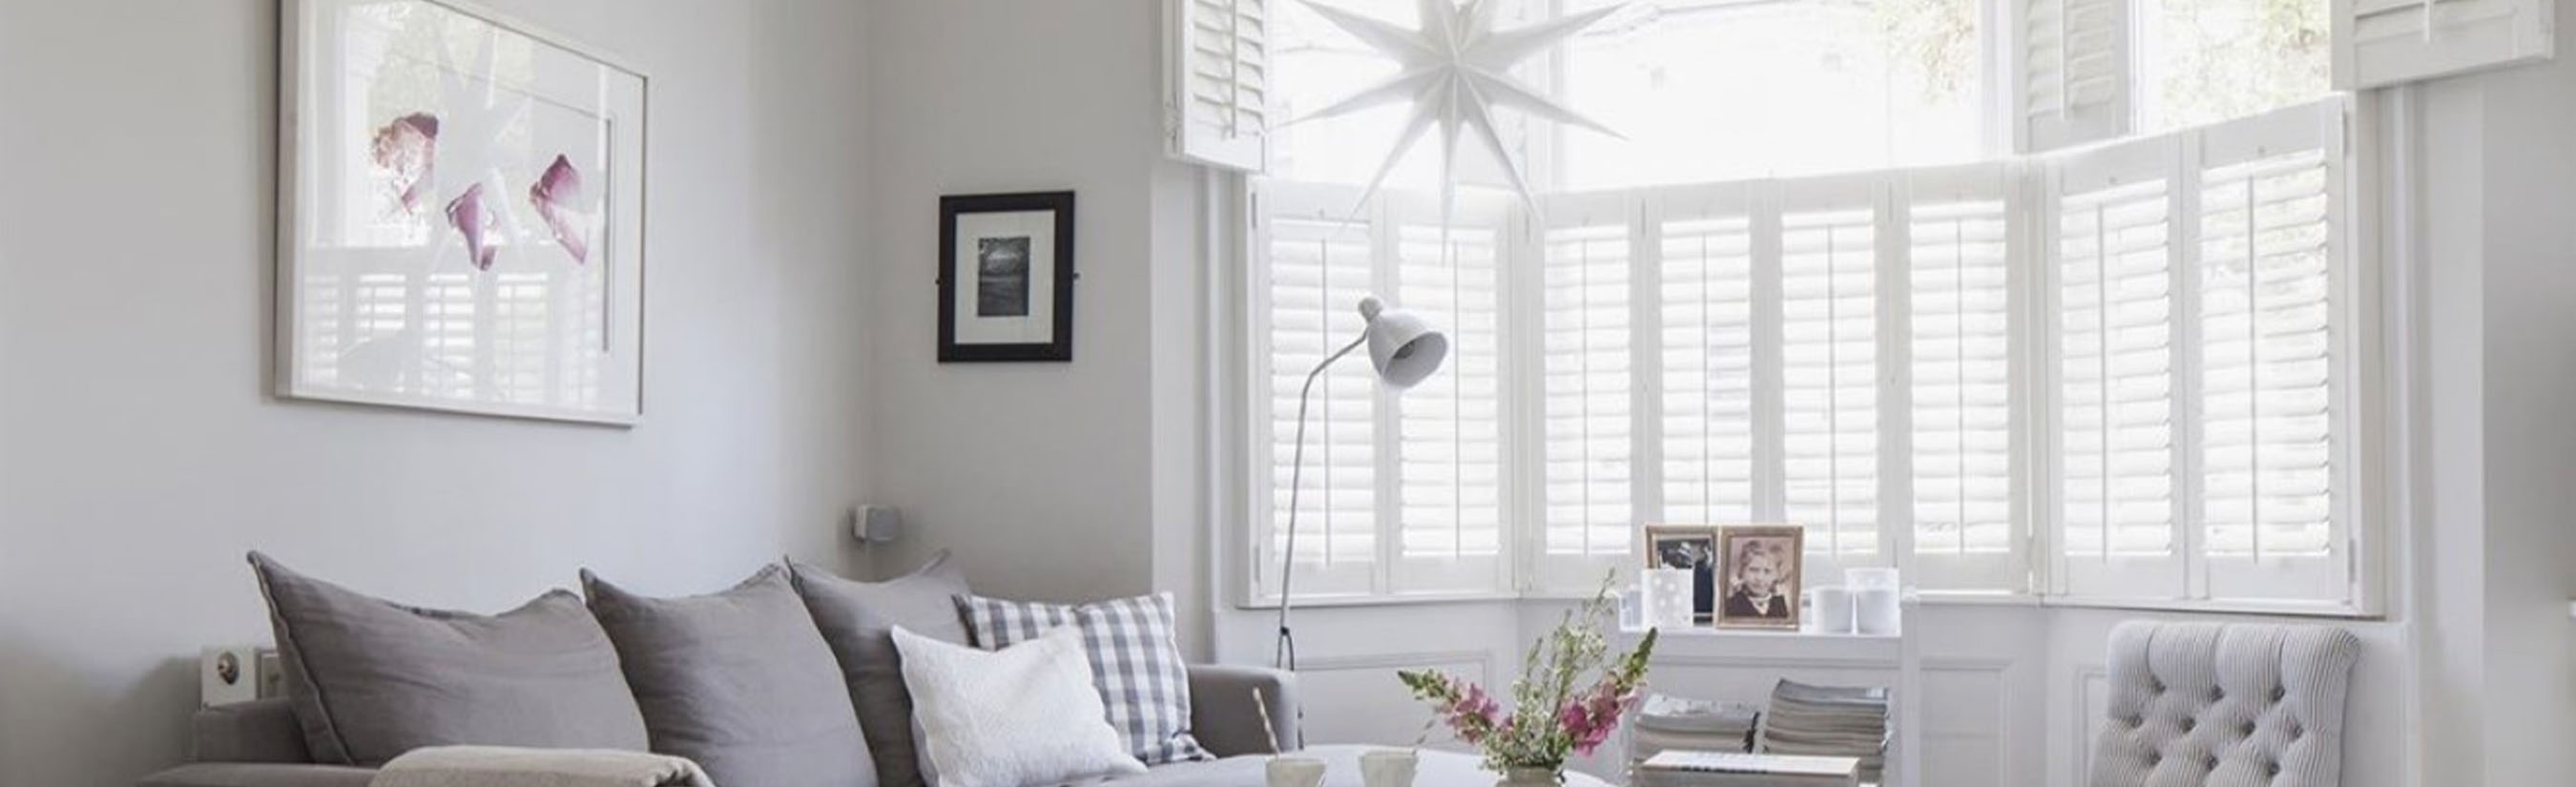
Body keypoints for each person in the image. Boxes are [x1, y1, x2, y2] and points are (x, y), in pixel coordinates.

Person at [1722, 539, 1793, 620]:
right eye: (1753, 570)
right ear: (1742, 571)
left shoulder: (1781, 603)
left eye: (1767, 571)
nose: (1759, 578)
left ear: (1776, 575)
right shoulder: (1732, 604)